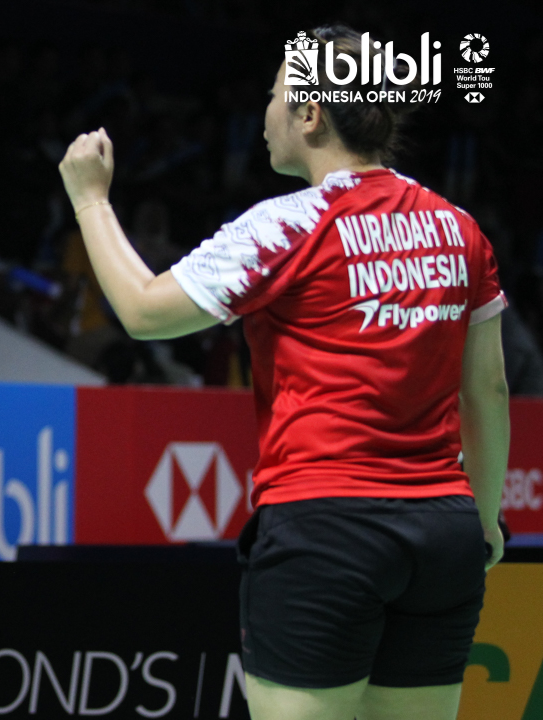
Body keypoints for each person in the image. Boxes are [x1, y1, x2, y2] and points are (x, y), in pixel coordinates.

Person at [57, 25, 507, 720]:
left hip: (325, 529)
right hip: (442, 532)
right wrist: (483, 519)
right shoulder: (458, 228)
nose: (264, 113)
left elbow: (143, 311)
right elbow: (488, 391)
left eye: (273, 96)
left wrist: (90, 200)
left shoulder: (287, 226)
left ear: (310, 114)